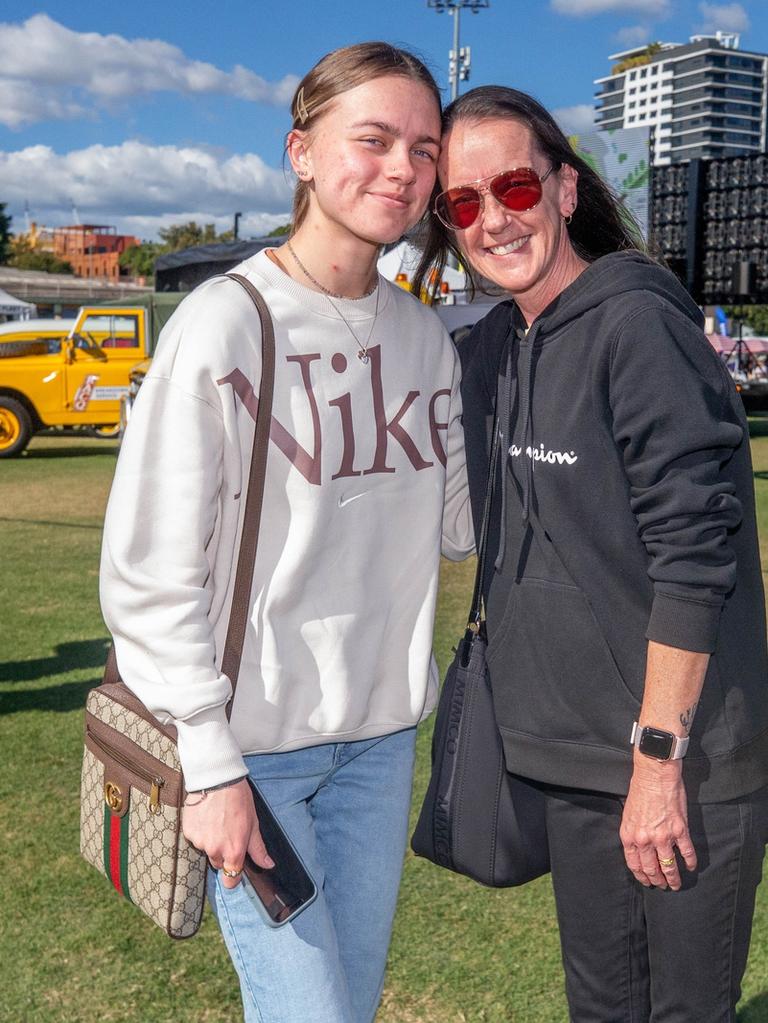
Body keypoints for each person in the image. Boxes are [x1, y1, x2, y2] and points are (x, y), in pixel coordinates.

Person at [100, 43, 473, 1023]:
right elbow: (149, 576)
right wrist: (214, 766)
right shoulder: (226, 325)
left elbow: (466, 526)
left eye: (425, 149)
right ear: (301, 152)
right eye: (375, 139)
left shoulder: (426, 337)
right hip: (254, 753)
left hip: (381, 743)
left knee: (342, 1006)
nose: (403, 168)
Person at [413, 85, 768, 1022]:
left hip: (680, 758)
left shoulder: (636, 325)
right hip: (571, 760)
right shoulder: (494, 345)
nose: (494, 220)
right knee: (601, 1008)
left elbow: (696, 557)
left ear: (566, 190)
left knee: (685, 1012)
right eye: (464, 203)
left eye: (517, 187)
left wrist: (658, 760)